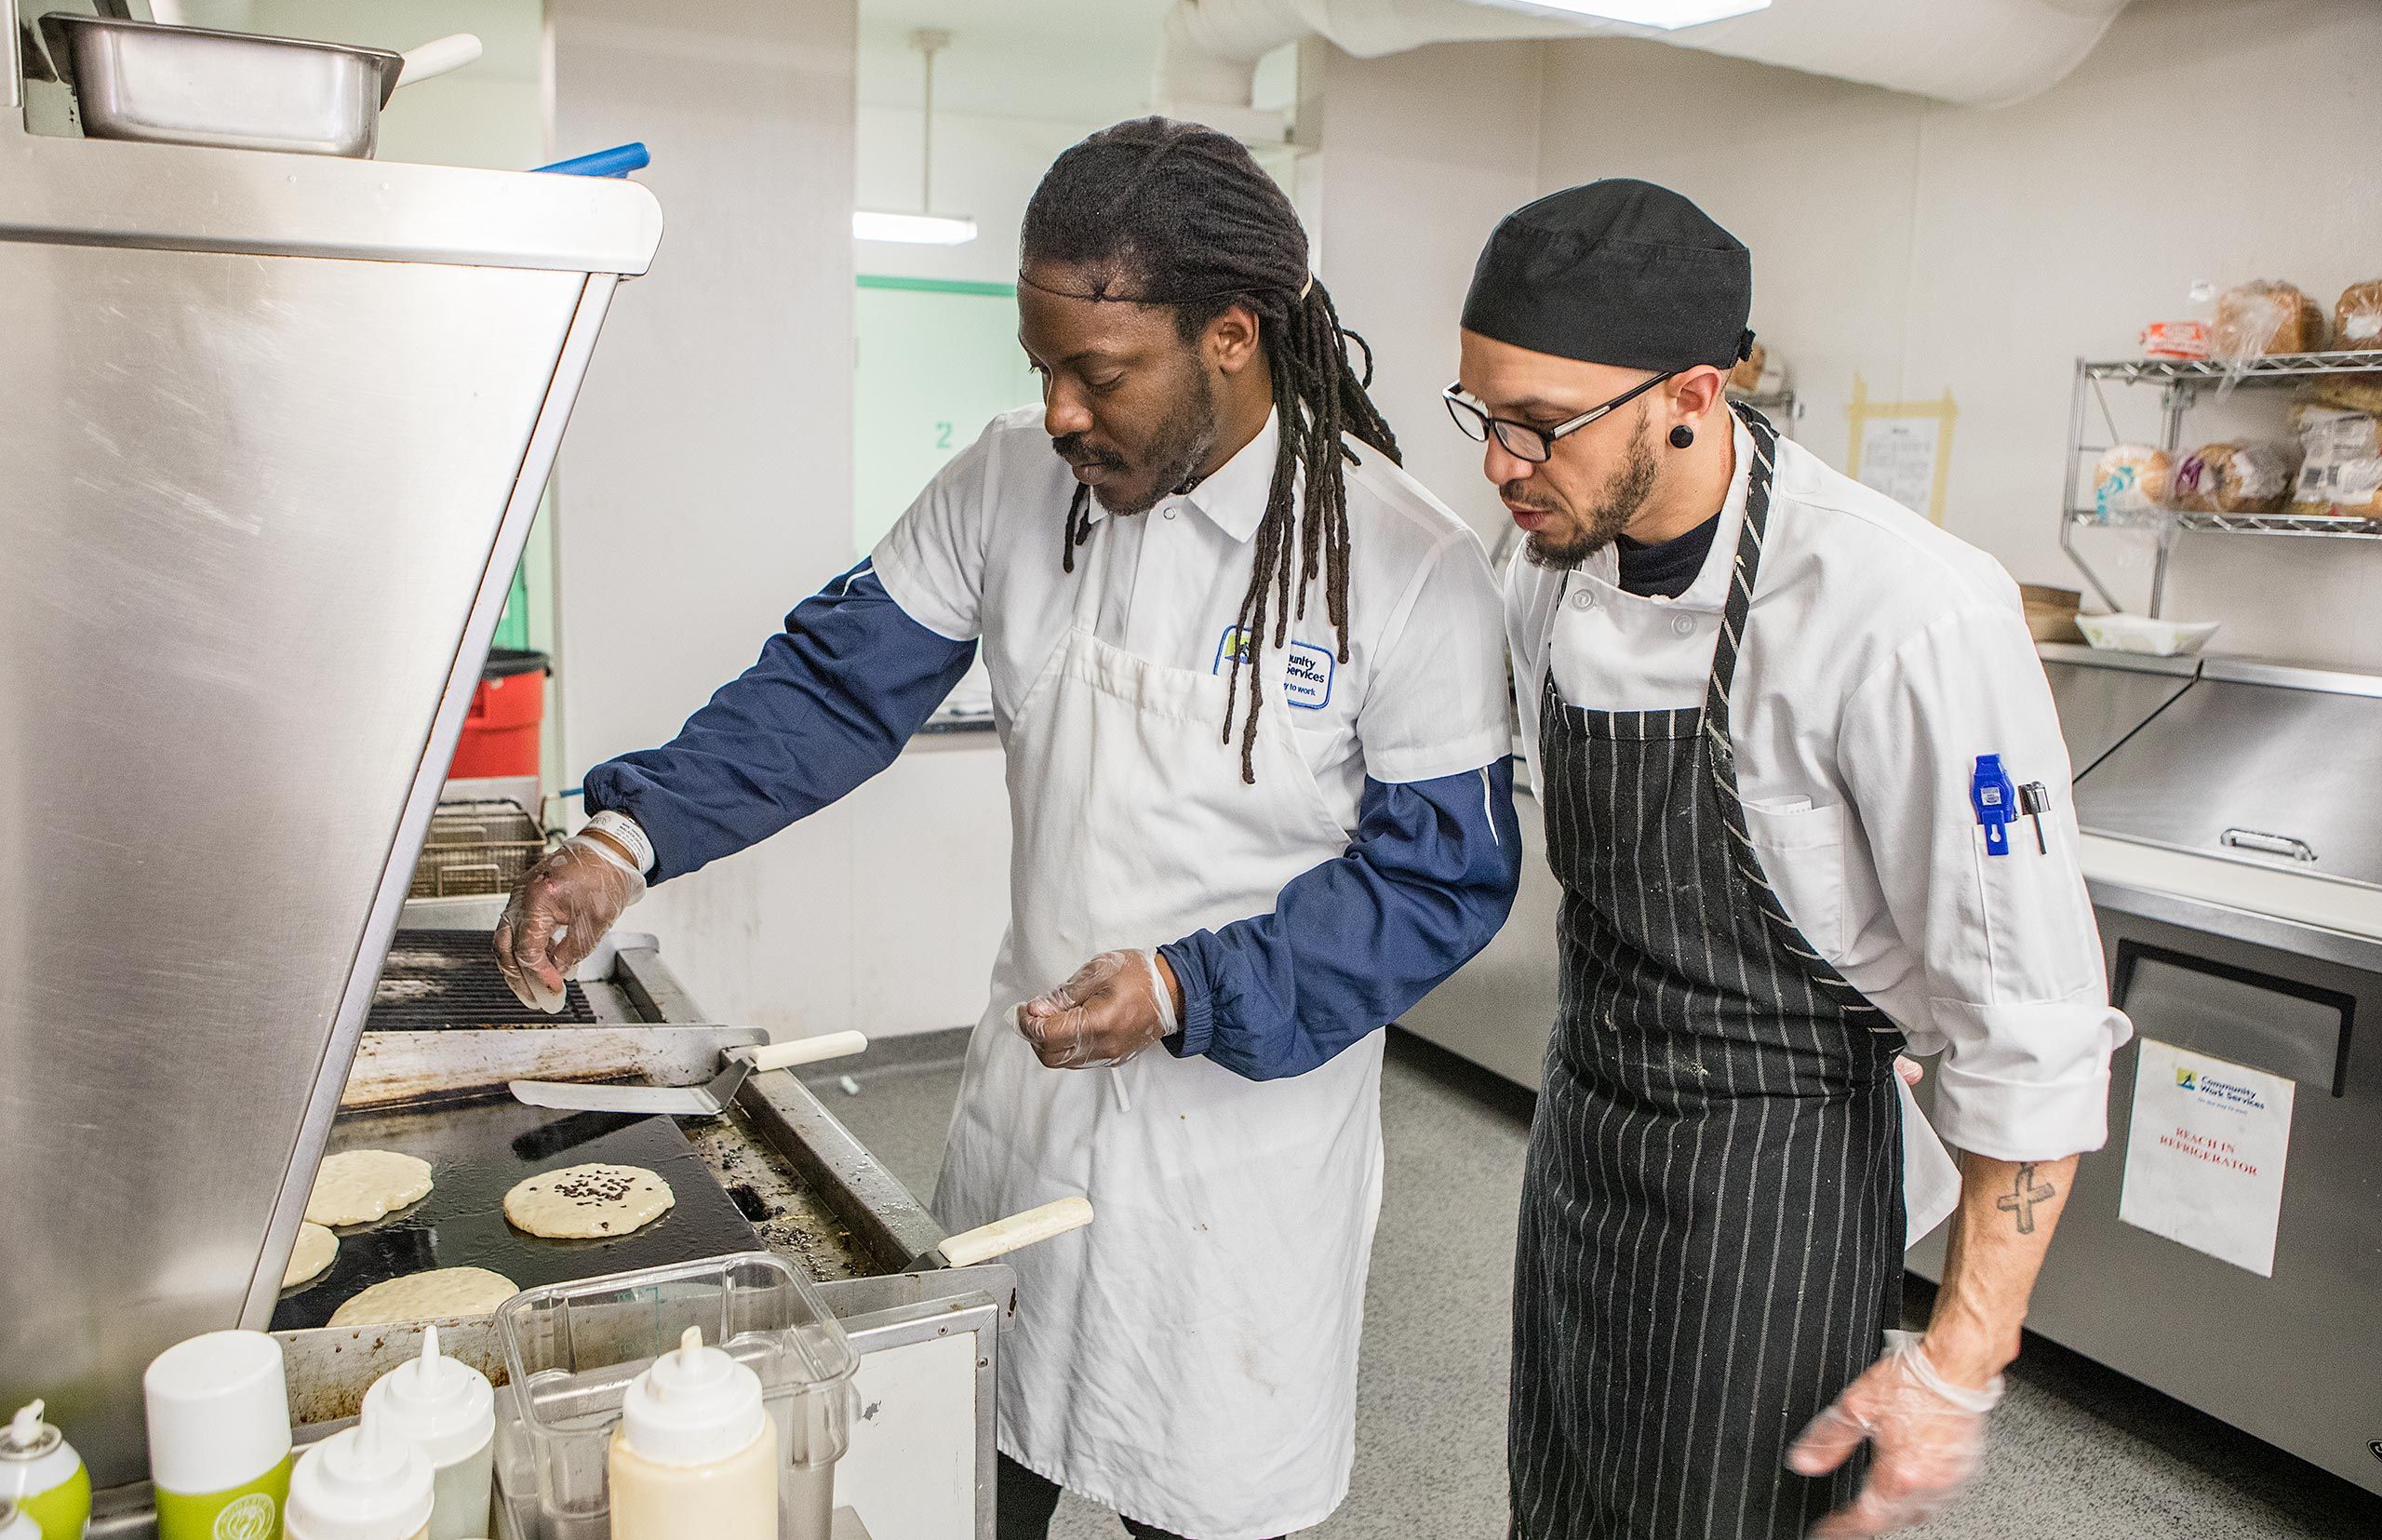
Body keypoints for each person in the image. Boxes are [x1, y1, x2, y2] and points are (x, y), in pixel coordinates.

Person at [494, 118, 1522, 1540]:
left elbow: (1437, 884)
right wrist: (628, 838)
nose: (1056, 413)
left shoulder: (1401, 567)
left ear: (1231, 335)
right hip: (1031, 1110)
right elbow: (835, 686)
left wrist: (1181, 987)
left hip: (1242, 1164)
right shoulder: (1011, 487)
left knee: (1203, 1504)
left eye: (1096, 373)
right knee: (970, 1481)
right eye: (1040, 370)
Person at [1449, 180, 2132, 1540]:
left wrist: (1960, 1362)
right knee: (1564, 1509)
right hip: (1583, 1134)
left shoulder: (1911, 614)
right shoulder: (1546, 562)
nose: (1500, 465)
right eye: (1484, 414)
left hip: (1772, 1178)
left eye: (1540, 426)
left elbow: (2034, 1028)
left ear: (1692, 392)